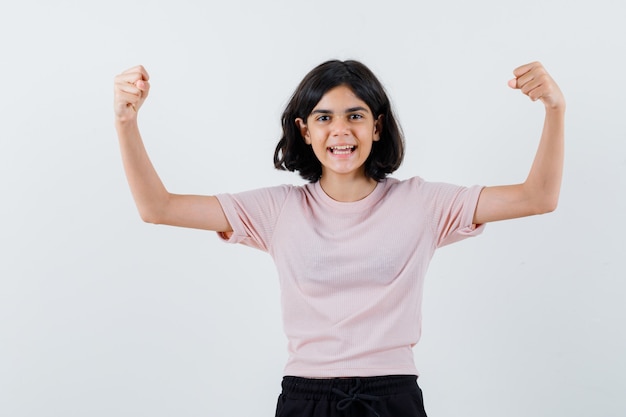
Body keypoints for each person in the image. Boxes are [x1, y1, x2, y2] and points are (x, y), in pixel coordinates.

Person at [113, 59, 565, 417]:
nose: (341, 130)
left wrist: (555, 109)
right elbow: (159, 208)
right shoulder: (277, 210)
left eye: (355, 115)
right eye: (323, 117)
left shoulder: (422, 203)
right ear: (304, 130)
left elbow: (537, 197)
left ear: (377, 126)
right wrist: (126, 122)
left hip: (393, 397)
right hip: (305, 400)